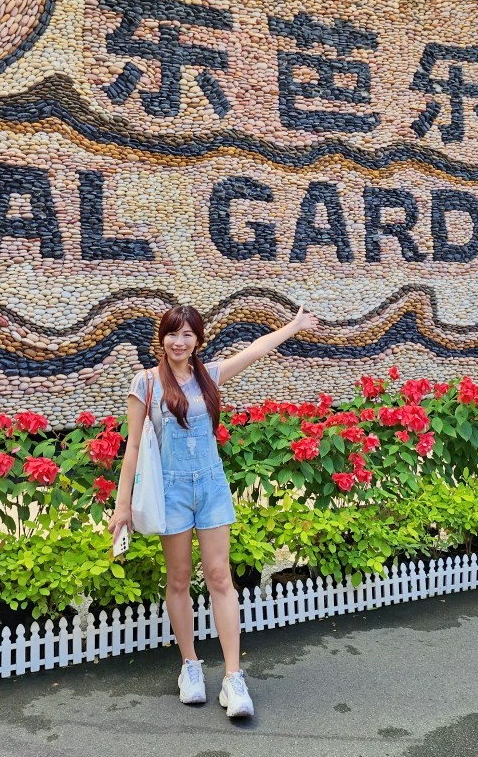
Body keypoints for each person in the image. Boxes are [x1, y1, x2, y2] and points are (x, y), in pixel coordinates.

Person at [109, 303, 319, 719]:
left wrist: (293, 326)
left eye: (188, 335)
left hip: (211, 486)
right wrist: (122, 506)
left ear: (198, 340)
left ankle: (233, 679)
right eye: (173, 334)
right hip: (170, 491)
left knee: (221, 577)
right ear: (162, 338)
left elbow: (255, 350)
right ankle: (190, 666)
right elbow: (132, 448)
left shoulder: (209, 376)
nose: (179, 342)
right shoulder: (146, 383)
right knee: (180, 579)